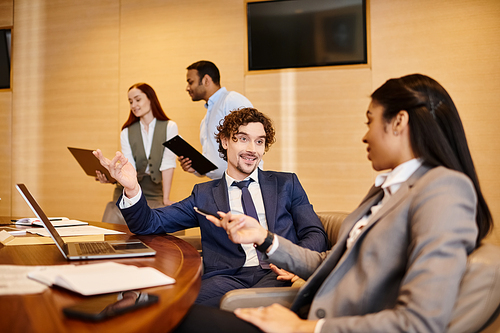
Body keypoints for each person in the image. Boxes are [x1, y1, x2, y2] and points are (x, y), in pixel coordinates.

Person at [174, 74, 493, 333]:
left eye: (370, 121)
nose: (365, 136)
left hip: (322, 324)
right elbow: (332, 262)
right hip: (308, 312)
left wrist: (306, 329)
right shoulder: (387, 190)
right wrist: (265, 239)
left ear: (398, 122)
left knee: (177, 320)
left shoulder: (444, 189)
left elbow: (420, 323)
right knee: (169, 316)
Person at [93, 107, 328, 307]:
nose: (252, 149)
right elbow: (148, 224)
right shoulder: (203, 194)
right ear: (225, 141)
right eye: (243, 138)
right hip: (225, 279)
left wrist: (297, 264)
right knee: (172, 310)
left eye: (259, 141)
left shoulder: (286, 183)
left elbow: (315, 233)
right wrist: (133, 188)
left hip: (280, 275)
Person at [96, 83, 178, 224]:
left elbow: (168, 163)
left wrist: (166, 198)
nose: (133, 105)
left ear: (150, 98)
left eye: (137, 99)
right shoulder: (126, 132)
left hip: (155, 191)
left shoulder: (169, 127)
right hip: (129, 188)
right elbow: (129, 167)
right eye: (130, 101)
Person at [179, 60, 253, 179]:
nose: (187, 88)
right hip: (219, 186)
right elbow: (215, 163)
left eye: (190, 82)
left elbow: (251, 140)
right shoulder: (205, 119)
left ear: (206, 80)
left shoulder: (231, 100)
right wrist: (196, 168)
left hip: (241, 184)